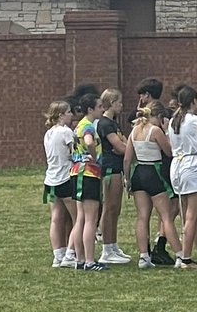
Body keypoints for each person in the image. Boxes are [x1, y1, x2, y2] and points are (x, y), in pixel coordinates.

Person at [123, 103, 183, 269]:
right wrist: (166, 133)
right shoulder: (155, 131)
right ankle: (180, 255)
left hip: (138, 172)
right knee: (166, 216)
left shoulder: (135, 130)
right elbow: (169, 151)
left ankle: (143, 257)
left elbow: (127, 159)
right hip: (153, 171)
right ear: (158, 117)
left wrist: (127, 179)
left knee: (142, 216)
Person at [168, 85, 197, 269]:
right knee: (192, 215)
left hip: (177, 165)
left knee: (189, 215)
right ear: (193, 101)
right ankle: (186, 258)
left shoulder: (173, 120)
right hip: (193, 165)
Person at [70, 91, 107, 271]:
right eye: (100, 106)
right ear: (90, 109)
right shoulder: (88, 127)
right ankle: (90, 261)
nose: (102, 109)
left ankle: (80, 259)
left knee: (80, 218)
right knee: (91, 219)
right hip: (89, 174)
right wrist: (94, 157)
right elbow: (89, 142)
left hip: (76, 172)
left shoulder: (77, 125)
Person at [95, 89, 131, 265]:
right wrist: (125, 148)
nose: (121, 105)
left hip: (117, 168)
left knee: (116, 209)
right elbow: (120, 146)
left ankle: (113, 245)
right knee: (110, 207)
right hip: (110, 169)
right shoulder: (104, 124)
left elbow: (125, 144)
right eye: (119, 102)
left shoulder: (114, 123)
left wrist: (125, 147)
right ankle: (107, 249)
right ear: (111, 103)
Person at [43, 101, 77, 267]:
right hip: (65, 177)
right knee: (78, 218)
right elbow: (73, 154)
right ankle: (70, 253)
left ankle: (58, 254)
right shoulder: (66, 132)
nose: (72, 115)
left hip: (50, 179)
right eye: (69, 112)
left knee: (56, 218)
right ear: (61, 115)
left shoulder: (48, 133)